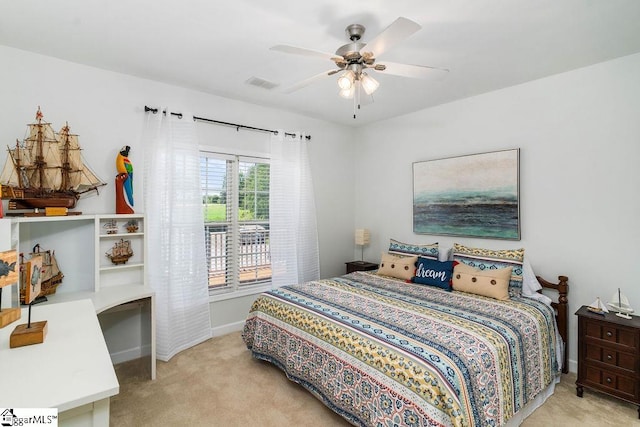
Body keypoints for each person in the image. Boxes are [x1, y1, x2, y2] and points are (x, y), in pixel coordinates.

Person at [115, 145, 134, 214]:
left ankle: (131, 202)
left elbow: (129, 172)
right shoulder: (119, 158)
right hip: (123, 174)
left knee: (129, 192)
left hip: (127, 175)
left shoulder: (124, 159)